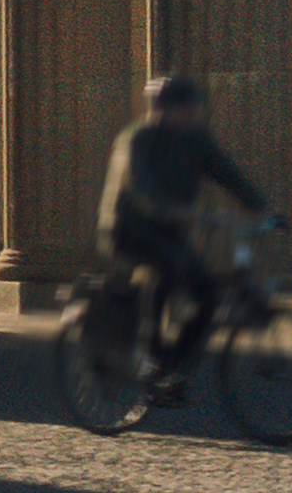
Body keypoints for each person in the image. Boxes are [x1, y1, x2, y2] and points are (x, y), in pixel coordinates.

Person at [92, 70, 278, 376]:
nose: (190, 114)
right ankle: (151, 356)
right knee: (168, 267)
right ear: (162, 108)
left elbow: (228, 174)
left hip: (168, 230)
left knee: (207, 294)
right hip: (127, 229)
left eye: (191, 108)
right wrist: (178, 212)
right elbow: (142, 187)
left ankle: (173, 363)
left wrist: (264, 209)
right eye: (183, 108)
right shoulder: (138, 139)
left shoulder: (196, 139)